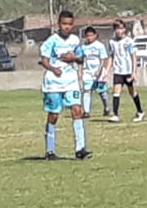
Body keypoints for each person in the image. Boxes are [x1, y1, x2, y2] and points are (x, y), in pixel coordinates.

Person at [38, 10, 91, 160]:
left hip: (71, 81)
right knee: (54, 115)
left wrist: (74, 58)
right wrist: (53, 69)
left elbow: (81, 59)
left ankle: (80, 149)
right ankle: (50, 150)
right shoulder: (51, 41)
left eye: (69, 24)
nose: (67, 27)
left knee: (77, 110)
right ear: (58, 24)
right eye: (64, 24)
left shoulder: (75, 40)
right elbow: (44, 60)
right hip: (53, 83)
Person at [107, 19, 146, 123]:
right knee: (116, 92)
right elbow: (111, 56)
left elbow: (133, 56)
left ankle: (140, 111)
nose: (119, 31)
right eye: (117, 28)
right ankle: (115, 115)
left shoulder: (128, 41)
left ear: (124, 29)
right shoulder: (112, 42)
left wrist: (134, 72)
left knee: (132, 92)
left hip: (127, 71)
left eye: (121, 28)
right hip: (118, 71)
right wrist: (107, 71)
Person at [79, 26, 111, 119]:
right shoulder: (83, 47)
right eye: (87, 36)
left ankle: (107, 108)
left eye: (91, 35)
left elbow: (103, 59)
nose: (89, 38)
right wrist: (80, 71)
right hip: (87, 71)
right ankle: (86, 112)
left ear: (95, 35)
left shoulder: (99, 46)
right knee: (87, 90)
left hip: (98, 71)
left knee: (102, 91)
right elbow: (81, 60)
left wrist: (99, 70)